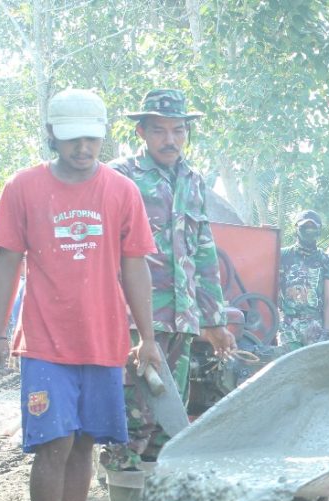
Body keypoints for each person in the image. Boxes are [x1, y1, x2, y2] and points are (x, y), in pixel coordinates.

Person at [0, 88, 160, 501]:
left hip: (103, 339)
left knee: (85, 442)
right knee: (54, 442)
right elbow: (6, 263)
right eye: (71, 140)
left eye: (91, 139)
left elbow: (135, 269)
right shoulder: (22, 188)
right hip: (45, 341)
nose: (82, 149)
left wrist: (144, 337)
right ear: (51, 137)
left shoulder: (121, 191)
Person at [103, 88, 235, 479]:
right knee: (133, 417)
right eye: (159, 130)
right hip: (135, 316)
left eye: (179, 130)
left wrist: (214, 319)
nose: (170, 140)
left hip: (181, 318)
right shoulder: (118, 176)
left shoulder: (193, 179)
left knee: (169, 419)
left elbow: (204, 251)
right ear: (141, 132)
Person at [277, 210, 329, 350]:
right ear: (296, 228)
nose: (309, 230)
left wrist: (327, 330)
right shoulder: (283, 255)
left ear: (319, 229)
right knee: (289, 365)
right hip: (288, 324)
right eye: (305, 227)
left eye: (313, 227)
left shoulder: (326, 260)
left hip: (314, 325)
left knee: (315, 368)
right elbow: (273, 289)